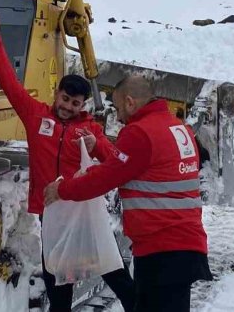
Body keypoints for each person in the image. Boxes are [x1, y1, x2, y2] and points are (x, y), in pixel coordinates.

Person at [0, 13, 135, 312]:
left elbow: (115, 163)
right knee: (57, 284)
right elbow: (11, 85)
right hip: (51, 216)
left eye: (75, 104)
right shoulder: (36, 116)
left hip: (85, 215)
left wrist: (97, 144)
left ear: (83, 105)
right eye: (65, 99)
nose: (67, 107)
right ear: (56, 94)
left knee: (115, 275)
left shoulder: (89, 129)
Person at [43, 75, 213, 312]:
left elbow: (105, 178)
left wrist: (62, 189)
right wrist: (99, 147)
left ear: (131, 102)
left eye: (119, 107)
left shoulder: (140, 133)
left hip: (161, 249)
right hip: (185, 244)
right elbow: (130, 165)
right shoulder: (178, 128)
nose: (119, 116)